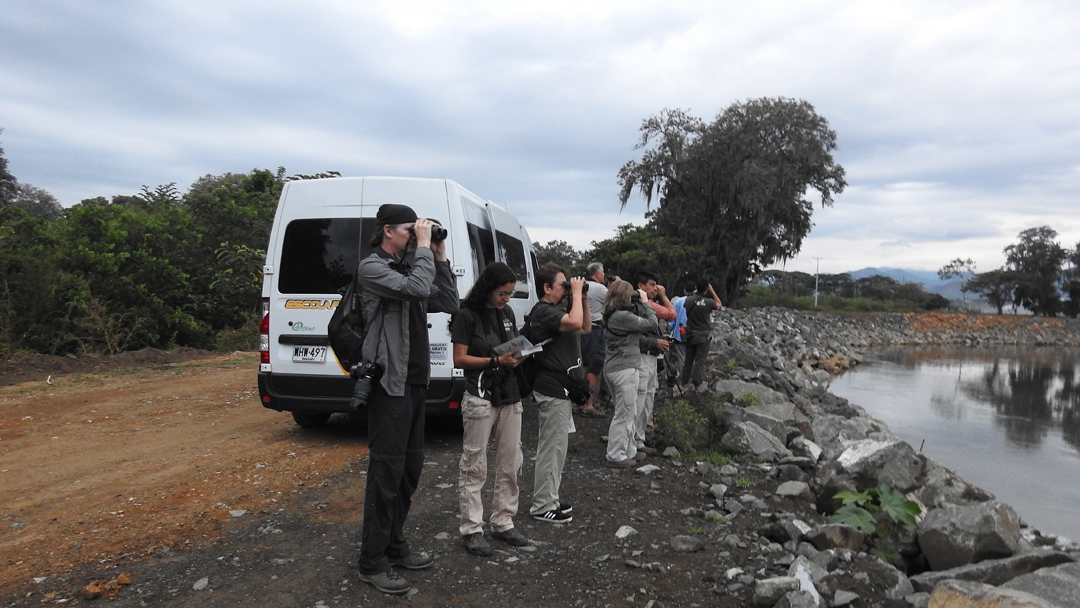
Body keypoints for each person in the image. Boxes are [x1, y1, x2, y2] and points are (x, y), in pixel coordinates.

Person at [355, 204, 459, 595]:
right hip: (389, 385)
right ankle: (372, 561)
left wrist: (438, 255)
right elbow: (417, 289)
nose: (416, 234)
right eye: (410, 229)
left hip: (416, 384)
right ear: (387, 231)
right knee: (386, 473)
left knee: (409, 471)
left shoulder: (411, 267)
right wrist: (421, 249)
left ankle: (394, 545)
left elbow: (448, 302)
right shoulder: (372, 268)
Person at [451, 262, 530, 557]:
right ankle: (472, 529)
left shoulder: (507, 313)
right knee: (474, 464)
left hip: (509, 394)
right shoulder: (466, 315)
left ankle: (503, 521)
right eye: (502, 293)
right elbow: (460, 359)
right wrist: (495, 362)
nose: (506, 299)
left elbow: (511, 346)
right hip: (480, 396)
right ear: (488, 287)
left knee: (512, 461)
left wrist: (520, 355)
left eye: (509, 294)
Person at [525, 262, 590, 523]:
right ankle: (542, 505)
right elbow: (574, 322)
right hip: (552, 390)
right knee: (551, 448)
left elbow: (583, 327)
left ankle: (550, 497)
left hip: (561, 390)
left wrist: (581, 298)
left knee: (558, 448)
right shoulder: (543, 312)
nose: (565, 289)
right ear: (546, 287)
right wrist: (574, 293)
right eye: (562, 285)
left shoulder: (555, 313)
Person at [602, 280, 660, 467]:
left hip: (617, 367)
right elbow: (652, 323)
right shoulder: (621, 317)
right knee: (624, 413)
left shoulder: (612, 314)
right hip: (623, 369)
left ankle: (628, 450)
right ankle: (615, 456)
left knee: (630, 411)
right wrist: (645, 302)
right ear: (625, 297)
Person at [633, 271, 674, 456]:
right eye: (651, 285)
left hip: (651, 357)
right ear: (641, 286)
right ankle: (632, 442)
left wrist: (659, 339)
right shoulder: (636, 306)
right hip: (642, 356)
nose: (655, 289)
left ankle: (639, 440)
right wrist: (655, 342)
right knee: (639, 400)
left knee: (647, 400)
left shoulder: (646, 305)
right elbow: (671, 314)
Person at [577, 262, 608, 418]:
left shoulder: (580, 285)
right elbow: (615, 303)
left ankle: (579, 401)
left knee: (582, 366)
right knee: (593, 369)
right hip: (595, 330)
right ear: (598, 274)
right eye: (603, 273)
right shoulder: (601, 289)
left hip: (580, 330)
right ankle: (588, 404)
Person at [680, 278, 723, 389]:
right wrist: (712, 291)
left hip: (690, 334)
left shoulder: (688, 300)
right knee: (699, 361)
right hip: (703, 336)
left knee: (688, 360)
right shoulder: (709, 302)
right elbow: (719, 304)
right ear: (706, 289)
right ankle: (696, 383)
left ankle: (684, 382)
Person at [664, 282, 692, 388]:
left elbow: (672, 320)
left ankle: (684, 382)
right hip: (696, 335)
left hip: (680, 334)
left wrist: (671, 328)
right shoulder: (699, 301)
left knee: (682, 358)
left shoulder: (679, 301)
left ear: (684, 290)